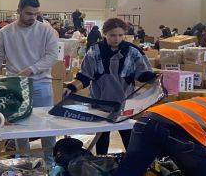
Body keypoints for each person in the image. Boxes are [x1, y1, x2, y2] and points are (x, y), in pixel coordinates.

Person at [0, 0, 59, 164]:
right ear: (19, 11)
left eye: (36, 14)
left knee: (46, 124)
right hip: (16, 86)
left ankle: (50, 162)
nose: (32, 17)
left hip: (41, 83)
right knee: (20, 124)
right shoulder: (5, 33)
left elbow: (52, 57)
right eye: (28, 13)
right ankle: (24, 161)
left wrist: (30, 70)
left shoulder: (46, 31)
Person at [65, 18, 155, 155]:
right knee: (102, 139)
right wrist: (71, 88)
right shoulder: (94, 52)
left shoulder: (133, 51)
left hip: (125, 106)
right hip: (101, 105)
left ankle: (131, 169)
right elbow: (85, 77)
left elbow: (142, 75)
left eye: (120, 35)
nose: (117, 39)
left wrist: (153, 78)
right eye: (112, 35)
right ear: (104, 33)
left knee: (129, 140)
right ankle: (101, 165)